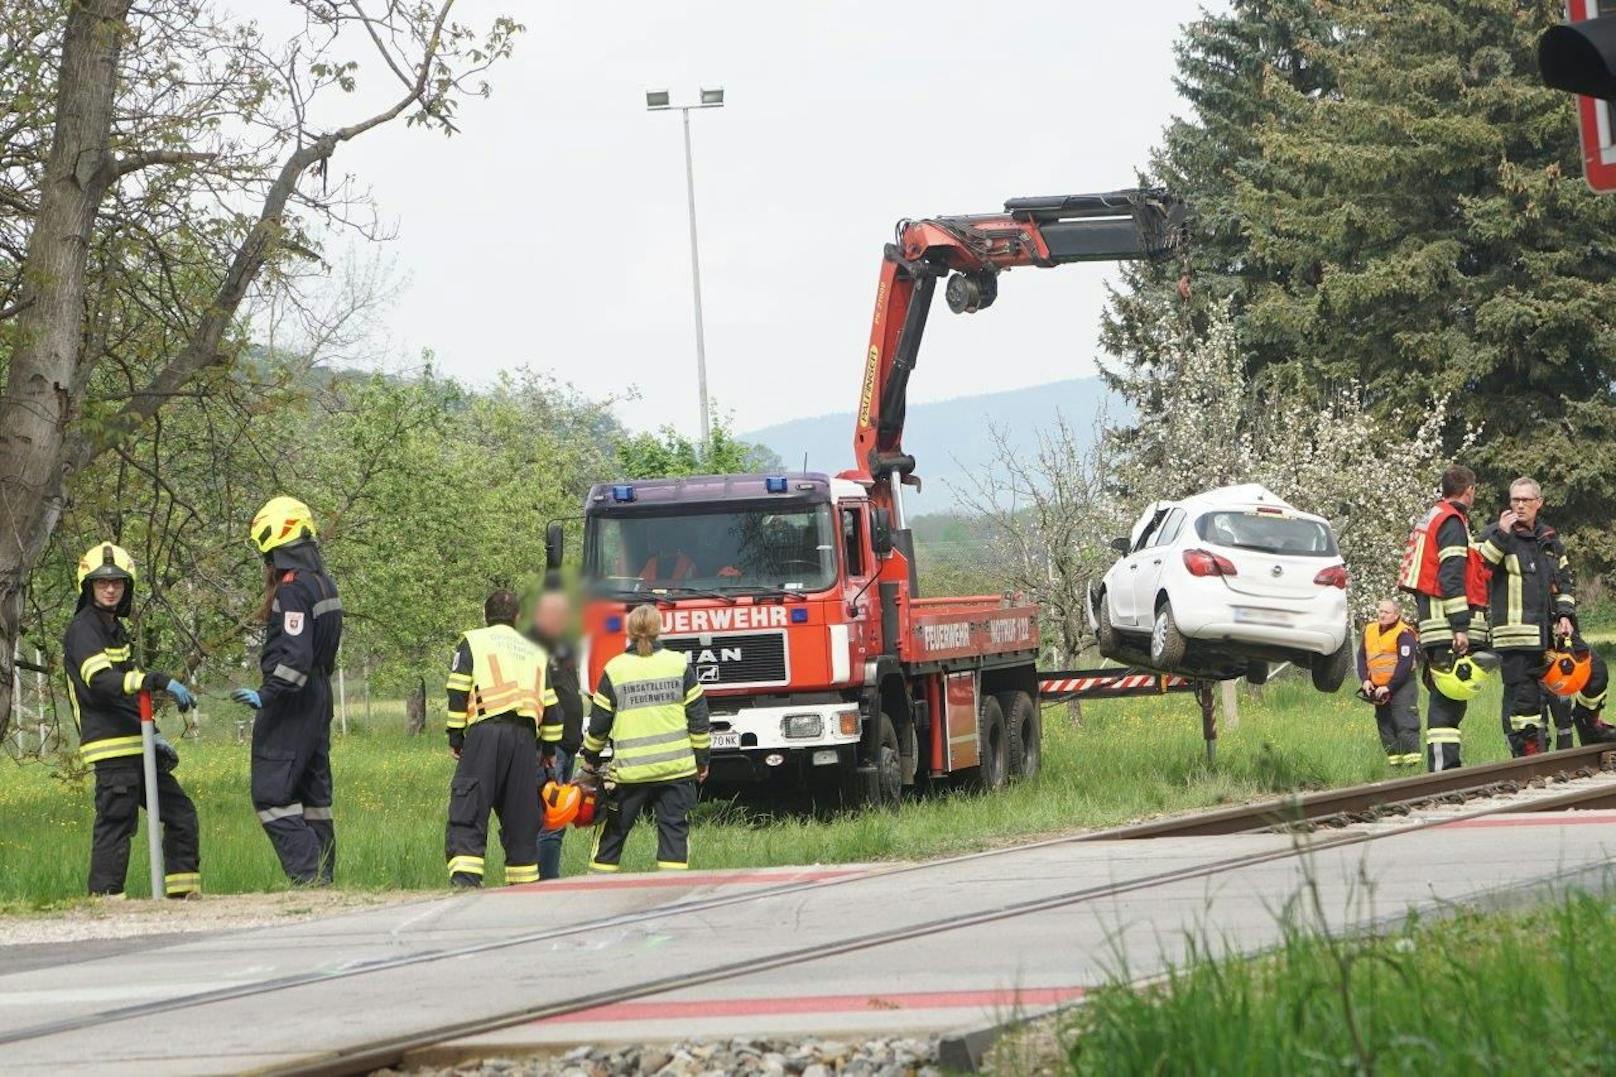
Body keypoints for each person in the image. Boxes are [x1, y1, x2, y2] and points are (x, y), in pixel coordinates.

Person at [63, 542, 201, 898]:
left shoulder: (114, 629)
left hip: (137, 743)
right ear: (88, 586)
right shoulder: (84, 630)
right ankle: (106, 901)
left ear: (127, 587)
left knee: (181, 814)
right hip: (111, 747)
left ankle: (183, 897)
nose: (110, 589)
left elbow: (126, 692)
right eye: (102, 583)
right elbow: (103, 684)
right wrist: (151, 680)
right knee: (117, 823)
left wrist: (152, 732)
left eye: (118, 583)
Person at [230, 496, 343, 885]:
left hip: (293, 703)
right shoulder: (323, 582)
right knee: (314, 798)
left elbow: (295, 657)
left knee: (272, 795)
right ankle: (324, 877)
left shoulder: (293, 589)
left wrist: (268, 694)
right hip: (319, 697)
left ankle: (310, 877)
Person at [444, 589, 562, 887]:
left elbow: (458, 690)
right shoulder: (535, 651)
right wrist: (547, 751)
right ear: (518, 618)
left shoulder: (473, 641)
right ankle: (523, 887)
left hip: (485, 734)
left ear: (486, 616)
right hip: (525, 741)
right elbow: (553, 710)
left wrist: (456, 738)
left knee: (469, 807)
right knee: (522, 818)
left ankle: (466, 882)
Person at [580, 604, 710, 873]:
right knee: (674, 833)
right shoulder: (678, 664)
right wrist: (702, 760)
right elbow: (698, 720)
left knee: (612, 836)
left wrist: (590, 760)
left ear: (629, 632)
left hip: (629, 774)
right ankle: (671, 895)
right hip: (676, 770)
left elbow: (598, 726)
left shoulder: (615, 669)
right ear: (658, 629)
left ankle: (598, 889)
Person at [1475, 477, 1578, 757]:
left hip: (1549, 636)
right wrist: (1501, 535)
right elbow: (1478, 571)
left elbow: (1565, 582)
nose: (1519, 506)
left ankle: (1543, 752)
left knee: (1555, 695)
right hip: (1515, 638)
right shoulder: (1493, 534)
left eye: (1525, 500)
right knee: (1521, 698)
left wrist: (1565, 615)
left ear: (1539, 503)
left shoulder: (1549, 539)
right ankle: (1524, 754)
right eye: (1515, 500)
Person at [1397, 464, 1489, 770]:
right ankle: (1444, 769)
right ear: (1469, 490)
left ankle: (1446, 766)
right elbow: (1451, 575)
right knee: (1447, 697)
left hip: (1434, 621)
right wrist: (1460, 626)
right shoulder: (1452, 521)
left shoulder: (1434, 515)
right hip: (1446, 625)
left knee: (1449, 695)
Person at [531, 585, 584, 880]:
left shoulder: (563, 648)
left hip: (567, 743)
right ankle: (546, 883)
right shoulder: (537, 649)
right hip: (552, 747)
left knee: (559, 817)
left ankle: (547, 878)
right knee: (551, 821)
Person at [1356, 598, 1420, 767]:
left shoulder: (1404, 633)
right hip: (1377, 687)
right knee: (1386, 727)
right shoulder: (1369, 630)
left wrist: (1389, 687)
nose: (1382, 615)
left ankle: (1413, 765)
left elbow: (1405, 664)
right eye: (1380, 611)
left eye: (1386, 612)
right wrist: (1365, 680)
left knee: (1404, 723)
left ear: (1396, 615)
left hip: (1402, 685)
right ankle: (1396, 766)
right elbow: (1362, 656)